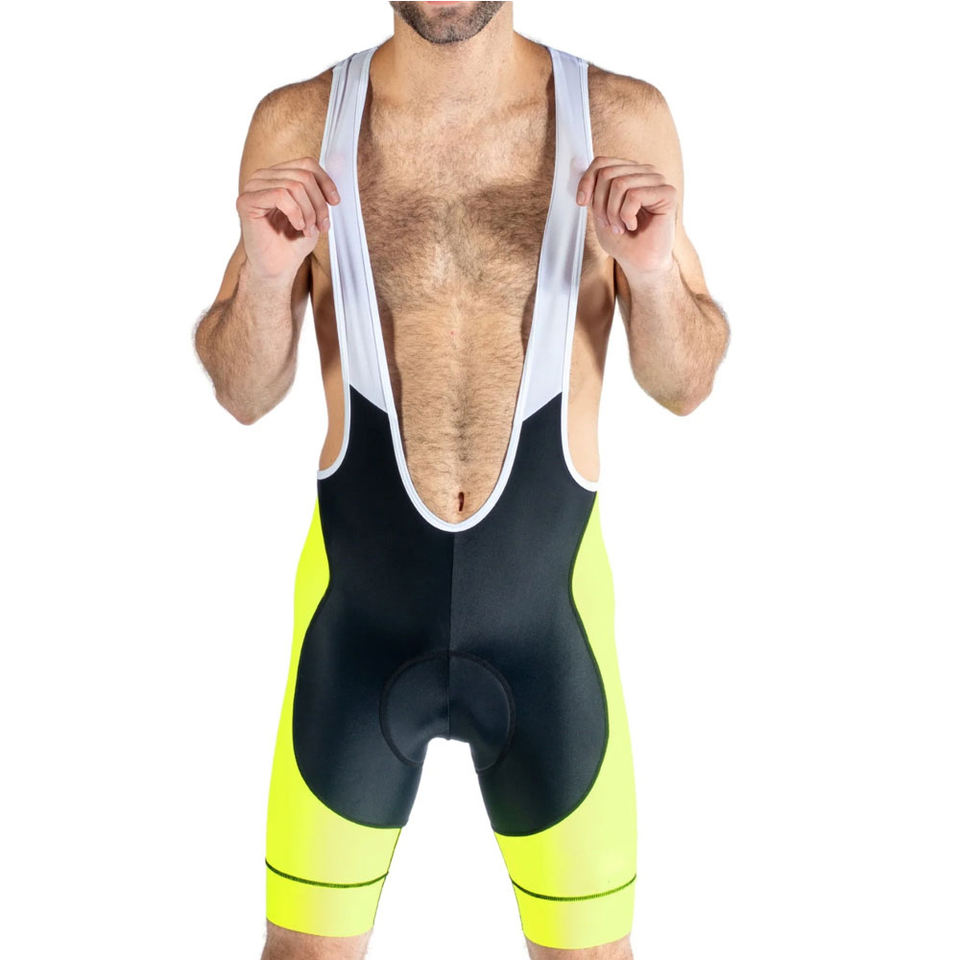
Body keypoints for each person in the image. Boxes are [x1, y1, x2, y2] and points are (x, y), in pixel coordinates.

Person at [194, 3, 729, 958]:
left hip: (548, 637)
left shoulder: (619, 118)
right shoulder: (298, 123)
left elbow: (685, 382)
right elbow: (243, 390)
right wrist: (270, 278)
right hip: (357, 630)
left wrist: (651, 276)